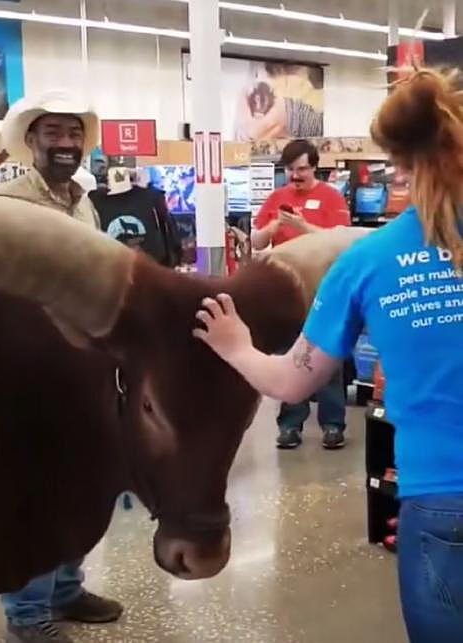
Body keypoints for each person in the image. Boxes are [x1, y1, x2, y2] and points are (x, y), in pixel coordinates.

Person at [192, 66, 463, 643]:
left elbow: (292, 382)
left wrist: (235, 344)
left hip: (441, 501)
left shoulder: (368, 262)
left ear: (399, 167)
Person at [0, 90, 123, 643]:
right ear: (31, 141)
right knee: (37, 491)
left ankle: (66, 589)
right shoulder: (5, 201)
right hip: (30, 369)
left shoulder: (82, 201)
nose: (65, 144)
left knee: (81, 483)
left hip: (84, 363)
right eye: (53, 134)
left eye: (73, 134)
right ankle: (27, 615)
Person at [251, 139, 351, 449]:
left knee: (328, 356)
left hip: (324, 290)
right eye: (291, 170)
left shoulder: (331, 197)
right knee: (288, 357)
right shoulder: (277, 197)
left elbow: (342, 239)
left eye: (302, 169)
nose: (296, 175)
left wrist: (303, 226)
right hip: (286, 293)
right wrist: (272, 228)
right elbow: (256, 241)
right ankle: (290, 425)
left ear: (315, 166)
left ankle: (333, 425)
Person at [90, 166, 183, 267]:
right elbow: (168, 229)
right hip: (151, 263)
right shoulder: (152, 196)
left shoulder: (96, 201)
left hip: (114, 266)